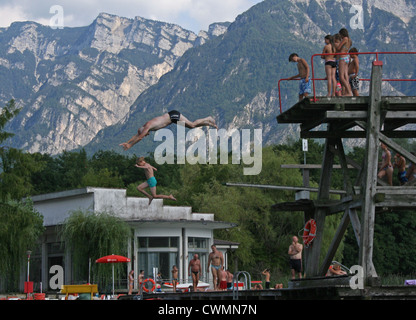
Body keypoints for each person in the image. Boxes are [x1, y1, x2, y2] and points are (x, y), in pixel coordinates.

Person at [120, 110, 218, 151]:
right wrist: (127, 142)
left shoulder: (147, 126)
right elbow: (137, 135)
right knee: (191, 126)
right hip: (172, 120)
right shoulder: (143, 127)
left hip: (173, 116)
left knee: (192, 124)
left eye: (146, 134)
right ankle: (208, 123)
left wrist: (130, 145)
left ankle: (208, 118)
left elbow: (140, 137)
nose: (146, 135)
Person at [336, 28, 353, 96]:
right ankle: (347, 91)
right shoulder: (349, 40)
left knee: (341, 77)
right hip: (346, 57)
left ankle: (348, 92)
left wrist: (338, 44)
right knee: (346, 76)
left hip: (342, 57)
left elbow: (339, 48)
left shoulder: (345, 39)